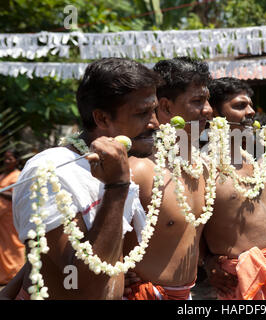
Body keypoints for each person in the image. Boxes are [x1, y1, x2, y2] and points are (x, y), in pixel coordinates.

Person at [11, 57, 162, 299]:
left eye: (154, 110)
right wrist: (117, 187)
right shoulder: (49, 171)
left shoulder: (112, 164)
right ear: (102, 118)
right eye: (143, 113)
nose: (155, 123)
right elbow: (83, 285)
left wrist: (120, 274)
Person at [203, 77, 266, 300]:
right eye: (240, 106)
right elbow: (191, 226)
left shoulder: (258, 158)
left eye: (250, 105)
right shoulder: (203, 167)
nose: (250, 112)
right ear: (215, 115)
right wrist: (208, 261)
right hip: (242, 276)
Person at [123, 57, 213, 300]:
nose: (208, 110)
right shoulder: (139, 169)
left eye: (207, 100)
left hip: (188, 295)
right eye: (197, 101)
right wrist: (113, 275)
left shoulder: (201, 166)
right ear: (165, 108)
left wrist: (214, 263)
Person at [0, 149, 25, 287]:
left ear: (17, 160)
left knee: (13, 245)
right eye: (5, 158)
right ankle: (3, 276)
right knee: (2, 247)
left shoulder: (18, 176)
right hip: (1, 218)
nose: (6, 161)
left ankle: (15, 274)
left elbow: (16, 196)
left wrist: (2, 192)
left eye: (10, 158)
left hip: (10, 217)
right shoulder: (3, 175)